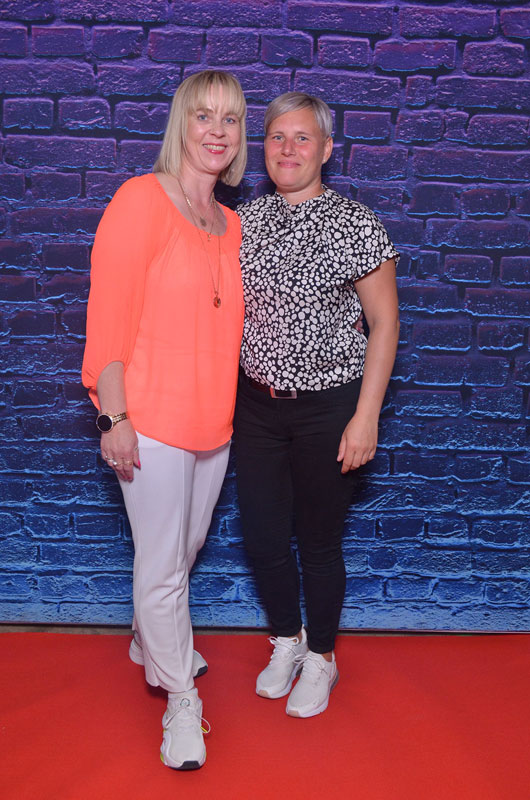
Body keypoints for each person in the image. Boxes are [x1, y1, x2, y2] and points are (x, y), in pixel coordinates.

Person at [82, 70, 246, 769]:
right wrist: (113, 415)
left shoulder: (233, 224)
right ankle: (181, 701)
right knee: (161, 566)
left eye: (231, 119)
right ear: (181, 123)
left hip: (215, 421)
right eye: (204, 115)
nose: (217, 130)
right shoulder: (140, 200)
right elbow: (107, 319)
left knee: (183, 550)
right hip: (148, 417)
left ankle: (147, 639)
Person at [234, 92, 399, 719]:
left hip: (330, 406)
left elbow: (384, 323)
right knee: (263, 534)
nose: (288, 149)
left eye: (302, 138)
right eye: (277, 137)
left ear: (327, 149)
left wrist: (367, 415)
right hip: (257, 406)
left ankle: (323, 656)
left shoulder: (356, 224)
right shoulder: (245, 221)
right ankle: (288, 639)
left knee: (319, 540)